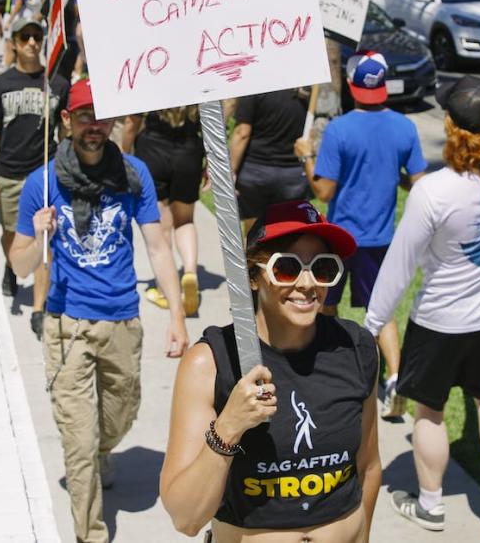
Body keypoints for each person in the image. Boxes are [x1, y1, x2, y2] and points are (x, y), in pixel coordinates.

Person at [364, 31, 480, 542]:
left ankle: (432, 506)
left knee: (430, 411)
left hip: (437, 321)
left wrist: (371, 324)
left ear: (452, 128)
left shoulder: (433, 192)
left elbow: (399, 266)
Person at [9, 78, 189, 543]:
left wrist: (175, 316)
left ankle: (105, 447)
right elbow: (20, 264)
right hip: (66, 323)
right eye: (85, 116)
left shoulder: (133, 174)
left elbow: (158, 245)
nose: (94, 126)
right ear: (66, 121)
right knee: (79, 441)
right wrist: (39, 234)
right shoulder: (42, 183)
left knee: (119, 415)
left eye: (102, 116)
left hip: (122, 319)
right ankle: (90, 532)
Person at [160, 200, 381, 541]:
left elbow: (367, 467)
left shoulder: (356, 348)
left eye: (322, 269)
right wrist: (228, 427)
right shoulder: (212, 362)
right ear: (251, 275)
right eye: (288, 268)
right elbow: (185, 518)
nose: (308, 284)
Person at [293, 51, 426, 419]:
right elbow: (418, 183)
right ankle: (395, 379)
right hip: (382, 238)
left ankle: (332, 371)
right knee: (381, 311)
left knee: (326, 304)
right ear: (383, 86)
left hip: (341, 238)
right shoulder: (405, 128)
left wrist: (306, 157)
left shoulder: (339, 129)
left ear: (352, 87)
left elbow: (324, 192)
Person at [0, 16, 70, 335]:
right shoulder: (0, 84)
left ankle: (38, 305)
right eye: (25, 37)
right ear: (15, 43)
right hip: (9, 173)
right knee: (10, 232)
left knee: (45, 237)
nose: (32, 42)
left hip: (44, 174)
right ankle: (13, 263)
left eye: (37, 36)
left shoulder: (56, 84)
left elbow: (64, 131)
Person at [121, 106, 205, 316]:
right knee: (185, 220)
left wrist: (123, 154)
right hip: (189, 151)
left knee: (162, 226)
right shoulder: (196, 80)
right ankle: (190, 272)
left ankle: (163, 289)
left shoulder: (151, 78)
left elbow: (132, 122)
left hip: (153, 152)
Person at [229, 87, 310, 234]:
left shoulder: (255, 89)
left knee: (254, 234)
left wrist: (231, 170)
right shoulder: (303, 92)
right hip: (292, 175)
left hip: (255, 173)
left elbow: (242, 132)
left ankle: (255, 256)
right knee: (287, 234)